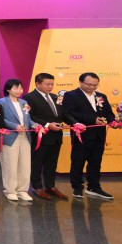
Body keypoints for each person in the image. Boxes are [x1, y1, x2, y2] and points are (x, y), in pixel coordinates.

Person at [23, 72, 79, 201]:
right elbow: (30, 116)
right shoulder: (29, 97)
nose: (50, 87)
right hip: (41, 136)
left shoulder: (55, 97)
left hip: (56, 136)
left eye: (52, 84)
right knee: (37, 163)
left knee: (52, 163)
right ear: (38, 84)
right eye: (47, 84)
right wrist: (47, 125)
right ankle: (37, 187)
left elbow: (64, 114)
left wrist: (75, 123)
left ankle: (50, 186)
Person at [62, 72, 117, 201]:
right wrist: (93, 120)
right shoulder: (71, 95)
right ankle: (77, 187)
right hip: (82, 135)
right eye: (89, 84)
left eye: (95, 85)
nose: (92, 87)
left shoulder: (101, 96)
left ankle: (94, 187)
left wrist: (113, 122)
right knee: (78, 161)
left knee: (96, 162)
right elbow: (69, 114)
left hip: (99, 135)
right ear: (81, 82)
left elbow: (109, 113)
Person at [0, 78, 35, 202]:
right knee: (10, 164)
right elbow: (0, 119)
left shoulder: (24, 102)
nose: (19, 90)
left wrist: (36, 125)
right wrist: (15, 126)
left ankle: (22, 190)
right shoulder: (1, 102)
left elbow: (28, 119)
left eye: (20, 88)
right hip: (10, 136)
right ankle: (10, 190)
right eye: (16, 88)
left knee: (25, 164)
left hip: (25, 136)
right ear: (8, 89)